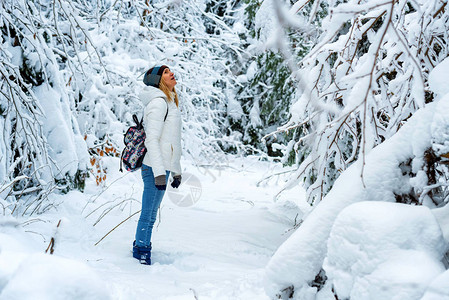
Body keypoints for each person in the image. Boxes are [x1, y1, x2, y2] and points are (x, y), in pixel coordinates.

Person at [133, 65, 182, 265]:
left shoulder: (170, 102)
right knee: (149, 214)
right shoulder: (159, 103)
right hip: (153, 167)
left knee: (151, 213)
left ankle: (141, 246)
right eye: (165, 72)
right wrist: (159, 174)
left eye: (170, 70)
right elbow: (151, 140)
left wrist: (176, 172)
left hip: (161, 167)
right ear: (158, 81)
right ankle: (142, 252)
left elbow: (172, 143)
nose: (171, 73)